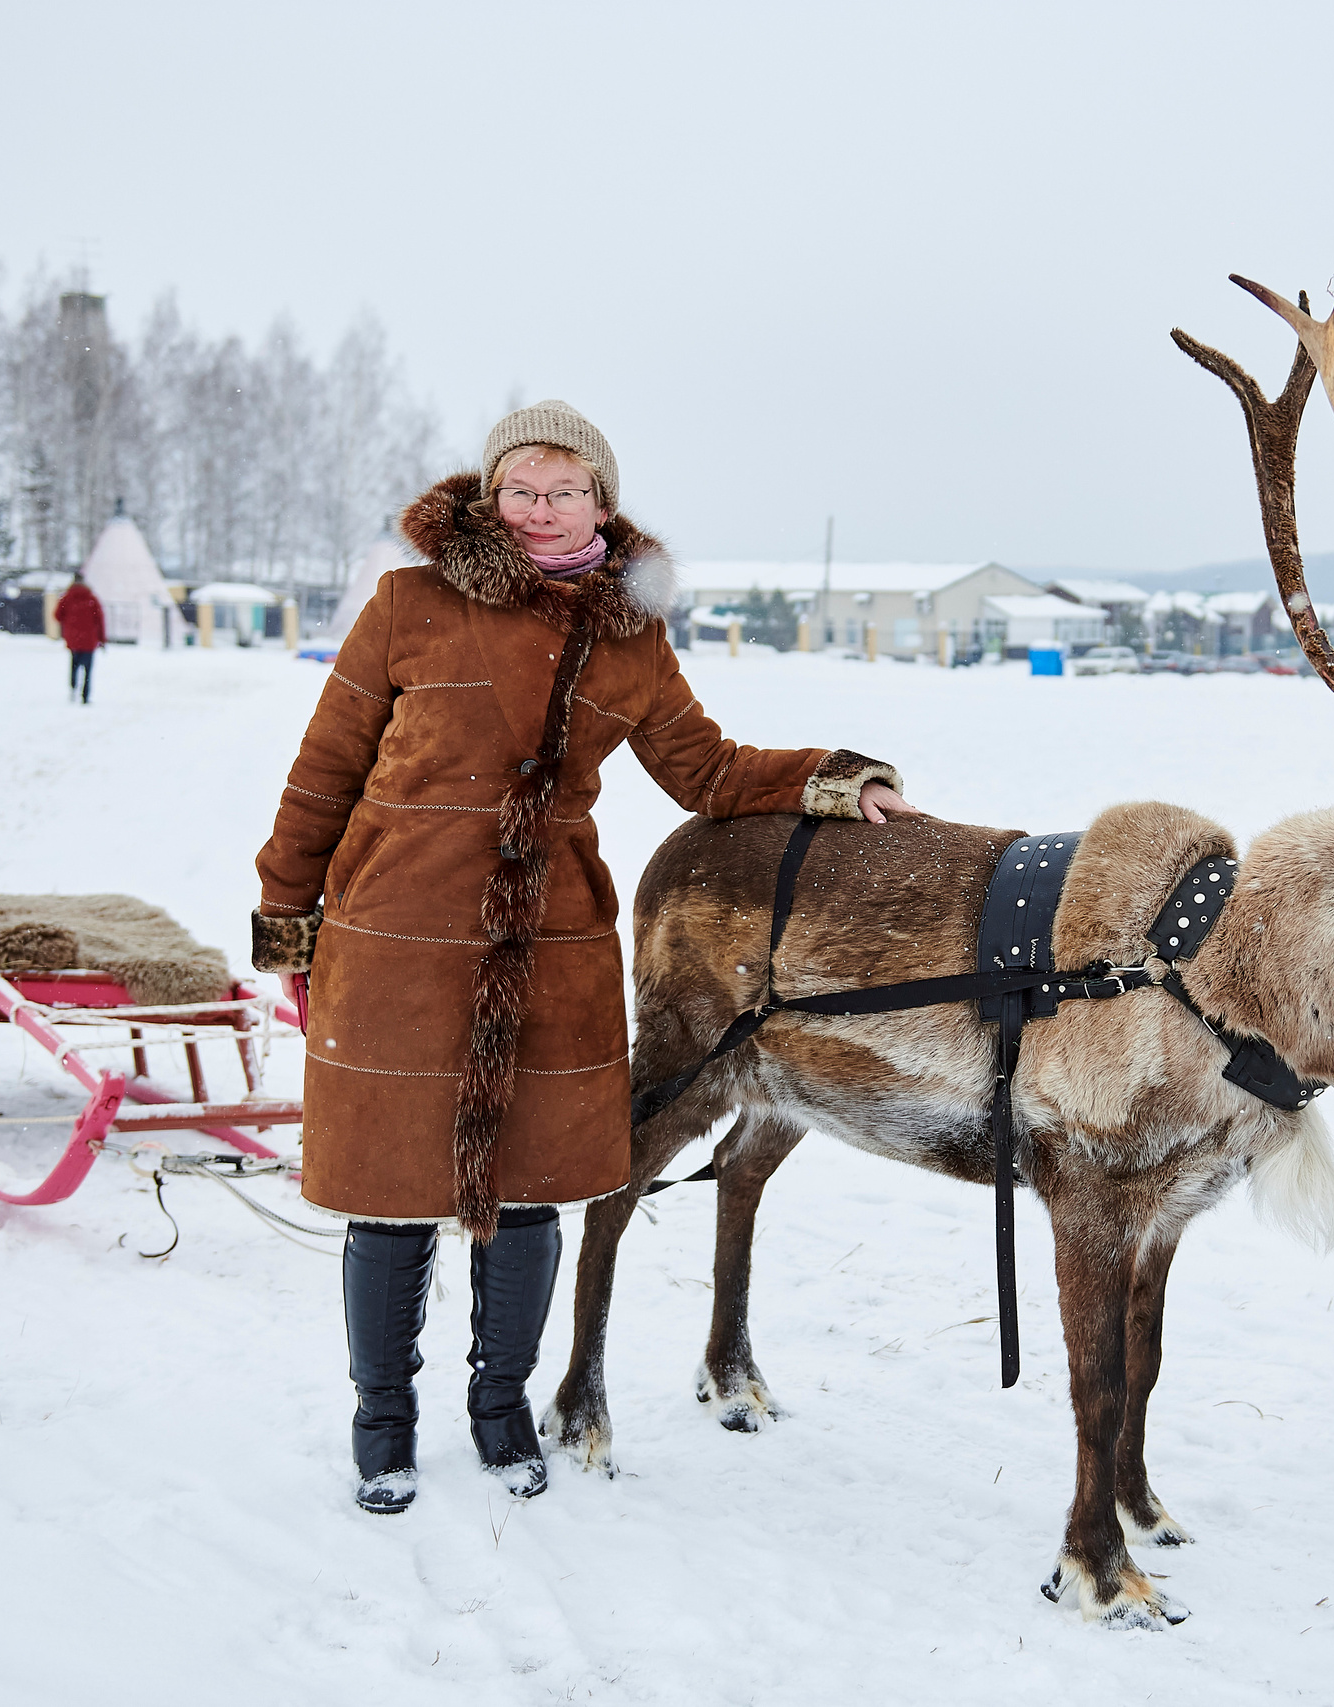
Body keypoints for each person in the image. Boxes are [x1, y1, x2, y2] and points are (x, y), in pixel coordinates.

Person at [250, 401, 920, 1516]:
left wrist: (834, 778)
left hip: (552, 940)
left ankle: (501, 1408)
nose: (543, 510)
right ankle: (382, 1421)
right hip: (394, 932)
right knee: (390, 1198)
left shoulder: (630, 635)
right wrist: (289, 912)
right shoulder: (409, 603)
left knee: (528, 1198)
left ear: (602, 504)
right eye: (522, 488)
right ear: (489, 496)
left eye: (567, 490)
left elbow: (705, 769)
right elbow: (325, 765)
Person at [55, 573, 105, 704]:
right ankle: (85, 695)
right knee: (88, 669)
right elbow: (99, 620)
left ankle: (73, 687)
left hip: (73, 639)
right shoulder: (91, 598)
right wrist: (102, 639)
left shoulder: (67, 598)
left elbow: (57, 615)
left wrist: (70, 623)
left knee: (74, 665)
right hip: (89, 640)